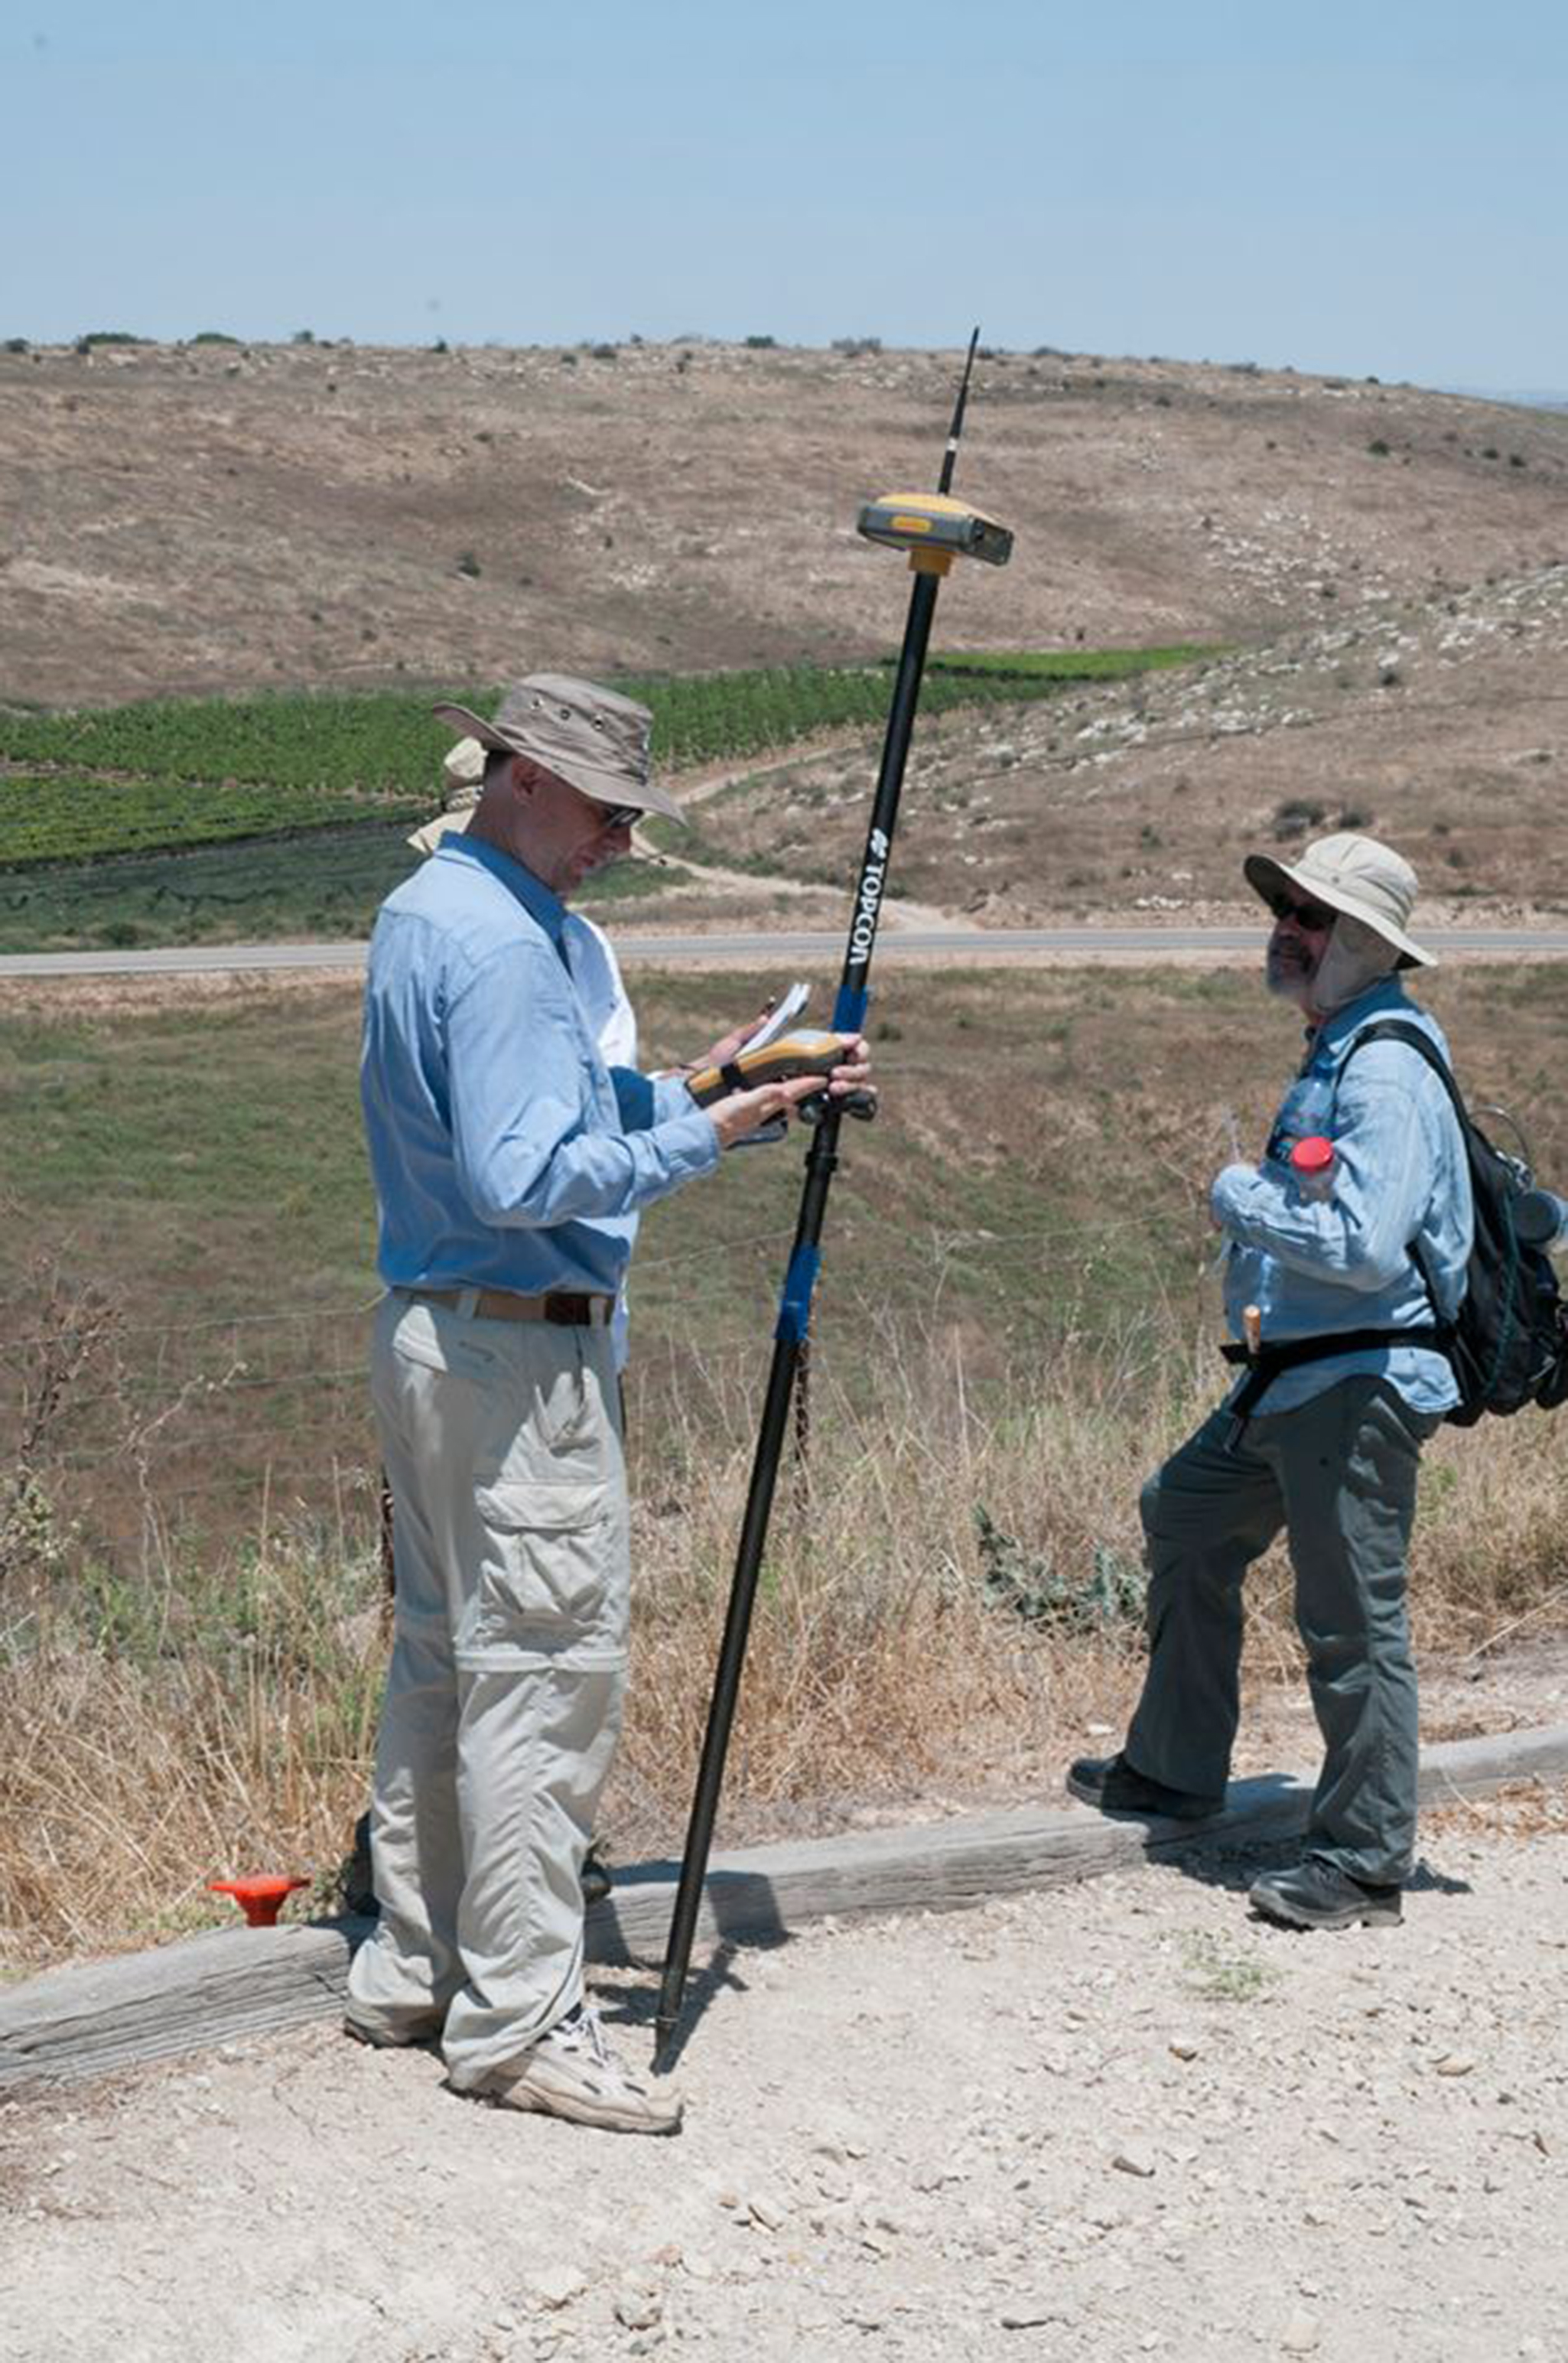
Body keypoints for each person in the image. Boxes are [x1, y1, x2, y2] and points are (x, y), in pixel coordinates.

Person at [346, 672, 869, 2131]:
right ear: (523, 777)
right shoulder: (514, 948)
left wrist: (723, 1087)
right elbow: (525, 1179)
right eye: (606, 810)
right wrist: (701, 1136)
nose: (620, 843)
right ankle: (520, 2016)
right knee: (543, 1676)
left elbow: (528, 1122)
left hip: (435, 1334)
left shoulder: (428, 915)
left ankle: (417, 1962)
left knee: (444, 1659)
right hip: (521, 1356)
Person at [1068, 833, 1473, 1932]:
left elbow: (1363, 1247)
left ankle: (1361, 1861)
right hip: (1295, 1381)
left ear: (1365, 943)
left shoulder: (1381, 1066)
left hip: (1353, 1384)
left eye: (1308, 915)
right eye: (1285, 908)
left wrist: (1235, 1197)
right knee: (1186, 1513)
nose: (1284, 929)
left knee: (1350, 1622)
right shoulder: (1341, 1044)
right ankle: (1174, 1767)